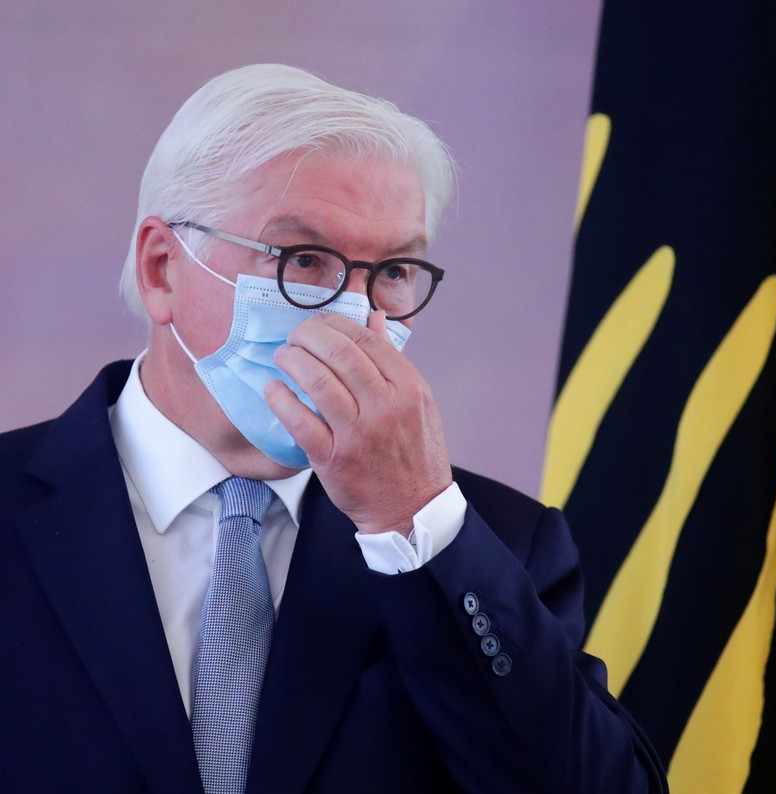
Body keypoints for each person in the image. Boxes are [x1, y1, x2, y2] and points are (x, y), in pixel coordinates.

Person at [0, 64, 666, 793]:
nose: (354, 315)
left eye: (394, 271)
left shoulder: (496, 543)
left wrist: (415, 526)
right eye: (304, 259)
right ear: (162, 268)